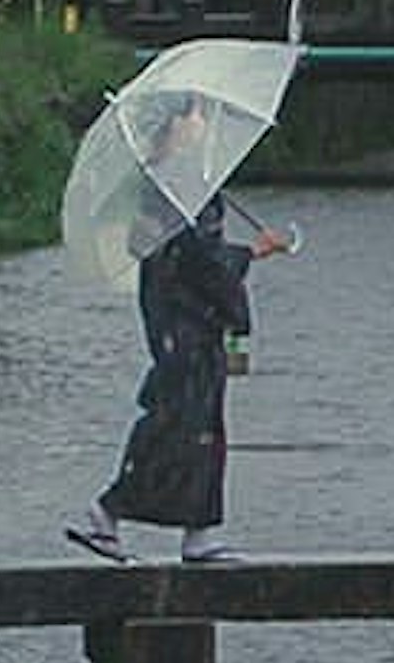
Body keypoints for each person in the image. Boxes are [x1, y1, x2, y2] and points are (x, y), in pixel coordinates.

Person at [68, 183, 293, 565]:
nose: (197, 123)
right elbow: (199, 260)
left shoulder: (183, 190)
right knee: (177, 423)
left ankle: (196, 530)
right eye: (190, 118)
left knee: (199, 428)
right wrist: (251, 251)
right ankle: (111, 510)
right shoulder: (174, 193)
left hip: (188, 327)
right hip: (185, 328)